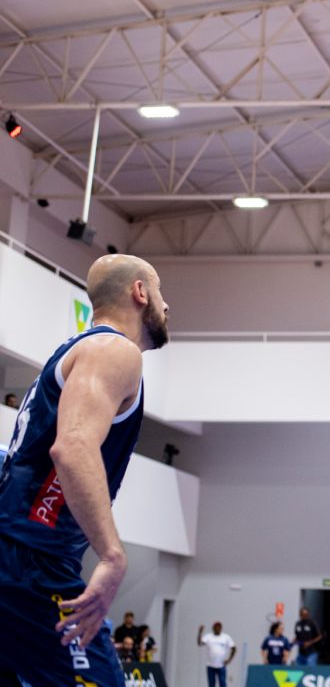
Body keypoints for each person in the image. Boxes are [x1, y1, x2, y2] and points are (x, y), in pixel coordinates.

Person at [0, 254, 169, 687]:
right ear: (140, 292)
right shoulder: (114, 351)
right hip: (31, 561)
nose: (166, 305)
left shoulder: (77, 353)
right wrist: (112, 554)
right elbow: (73, 446)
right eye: (160, 291)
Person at [198, 622, 237, 687]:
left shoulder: (226, 637)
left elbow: (234, 648)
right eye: (215, 627)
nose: (217, 629)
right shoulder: (208, 637)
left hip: (221, 666)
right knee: (211, 684)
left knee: (222, 683)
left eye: (218, 628)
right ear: (213, 628)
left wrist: (229, 660)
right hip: (211, 665)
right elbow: (199, 643)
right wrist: (200, 632)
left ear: (221, 628)